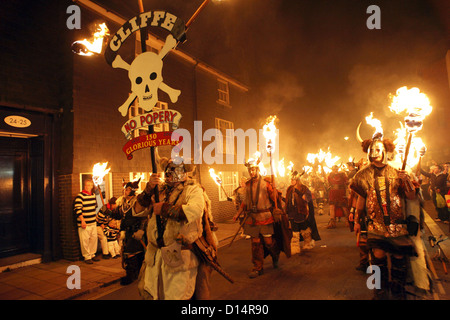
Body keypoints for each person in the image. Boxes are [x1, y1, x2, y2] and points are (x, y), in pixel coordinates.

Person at [351, 133, 418, 299]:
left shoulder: (398, 172)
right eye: (372, 150)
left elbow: (411, 196)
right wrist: (358, 220)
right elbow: (361, 199)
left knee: (399, 257)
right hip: (375, 224)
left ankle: (398, 292)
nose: (375, 152)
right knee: (377, 258)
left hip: (398, 224)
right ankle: (379, 293)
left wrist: (406, 180)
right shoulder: (362, 175)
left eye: (378, 149)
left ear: (385, 151)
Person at [135, 157, 211, 300]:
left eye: (174, 170)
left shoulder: (193, 189)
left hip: (179, 255)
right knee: (154, 294)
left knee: (177, 296)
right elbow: (137, 210)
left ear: (184, 172)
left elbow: (195, 211)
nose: (169, 174)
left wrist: (164, 209)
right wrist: (148, 189)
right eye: (168, 170)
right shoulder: (160, 191)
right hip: (155, 255)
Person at [233, 157, 281, 278]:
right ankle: (257, 267)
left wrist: (274, 189)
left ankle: (275, 255)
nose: (252, 172)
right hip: (253, 218)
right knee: (255, 244)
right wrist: (238, 214)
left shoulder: (266, 183)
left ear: (258, 169)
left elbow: (274, 197)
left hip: (265, 217)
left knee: (269, 243)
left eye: (254, 169)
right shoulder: (248, 185)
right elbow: (245, 202)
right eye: (250, 170)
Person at [109, 179, 147, 285]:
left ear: (132, 190)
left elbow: (144, 217)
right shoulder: (122, 202)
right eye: (125, 189)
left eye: (127, 189)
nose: (125, 191)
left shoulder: (138, 202)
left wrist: (141, 230)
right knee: (127, 253)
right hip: (126, 232)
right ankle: (135, 273)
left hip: (136, 231)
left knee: (133, 253)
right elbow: (118, 215)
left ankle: (131, 275)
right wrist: (110, 211)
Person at [285, 170, 321, 254]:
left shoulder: (304, 188)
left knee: (304, 229)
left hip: (301, 212)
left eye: (293, 180)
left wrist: (298, 192)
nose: (291, 181)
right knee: (294, 231)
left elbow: (307, 199)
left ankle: (308, 243)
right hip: (292, 213)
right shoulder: (289, 189)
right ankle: (295, 248)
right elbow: (288, 200)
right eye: (291, 180)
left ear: (297, 180)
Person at [74, 179, 100, 264]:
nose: (89, 187)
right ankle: (87, 256)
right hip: (84, 223)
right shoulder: (80, 196)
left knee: (93, 239)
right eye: (87, 185)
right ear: (84, 186)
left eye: (90, 185)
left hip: (93, 221)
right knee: (84, 240)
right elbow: (78, 209)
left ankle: (92, 254)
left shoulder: (93, 195)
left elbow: (94, 207)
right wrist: (82, 220)